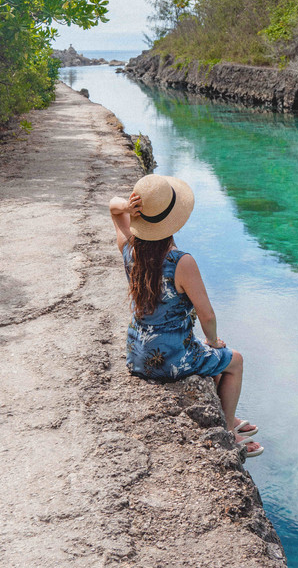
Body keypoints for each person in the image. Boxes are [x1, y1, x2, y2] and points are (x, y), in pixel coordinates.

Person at [109, 172, 263, 458]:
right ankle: (229, 430)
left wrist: (126, 207)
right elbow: (207, 315)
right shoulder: (181, 262)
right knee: (234, 361)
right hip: (170, 360)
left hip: (137, 355)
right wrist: (214, 341)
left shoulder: (128, 248)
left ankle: (225, 413)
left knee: (208, 356)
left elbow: (113, 209)